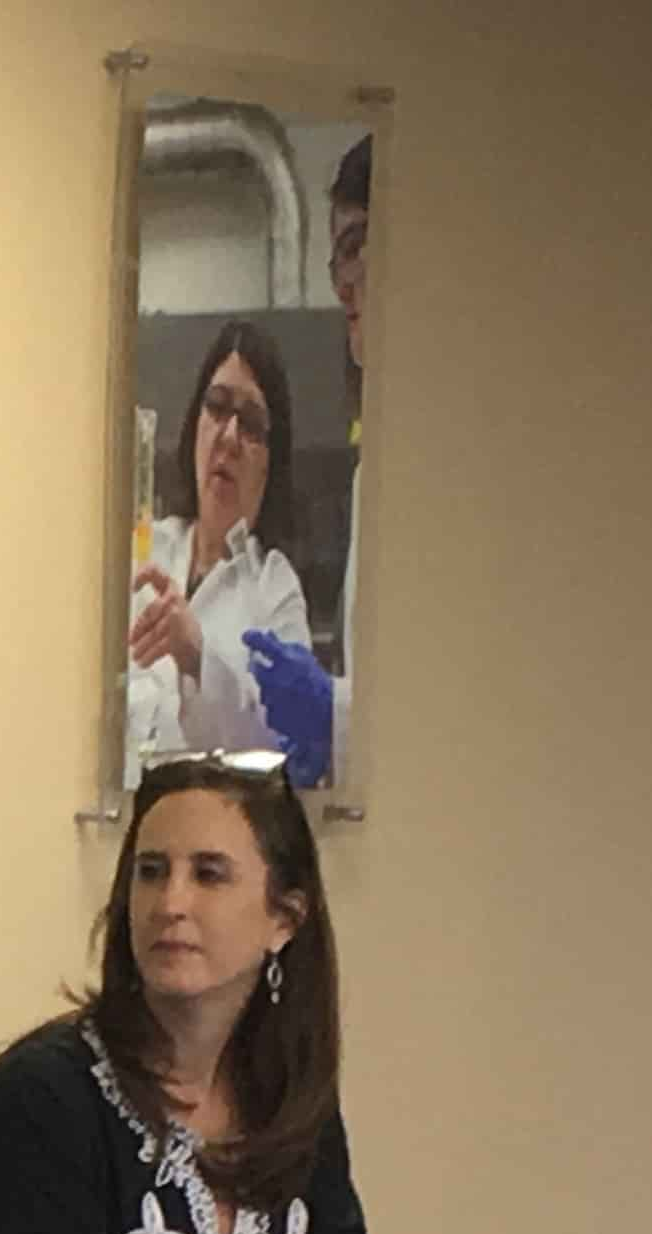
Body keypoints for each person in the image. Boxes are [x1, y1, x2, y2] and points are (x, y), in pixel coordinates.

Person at [0, 757, 473, 1234]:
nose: (172, 904)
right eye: (151, 872)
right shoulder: (43, 1093)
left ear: (285, 918)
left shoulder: (291, 1098)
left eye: (209, 875)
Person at [125, 320, 315, 767]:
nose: (228, 438)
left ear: (271, 462)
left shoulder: (274, 590)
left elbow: (290, 743)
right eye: (217, 407)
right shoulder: (145, 553)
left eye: (250, 424)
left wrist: (198, 659)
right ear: (195, 428)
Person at [243, 135, 368, 787]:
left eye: (357, 246)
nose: (344, 284)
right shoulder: (376, 468)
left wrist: (334, 718)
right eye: (215, 411)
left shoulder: (273, 586)